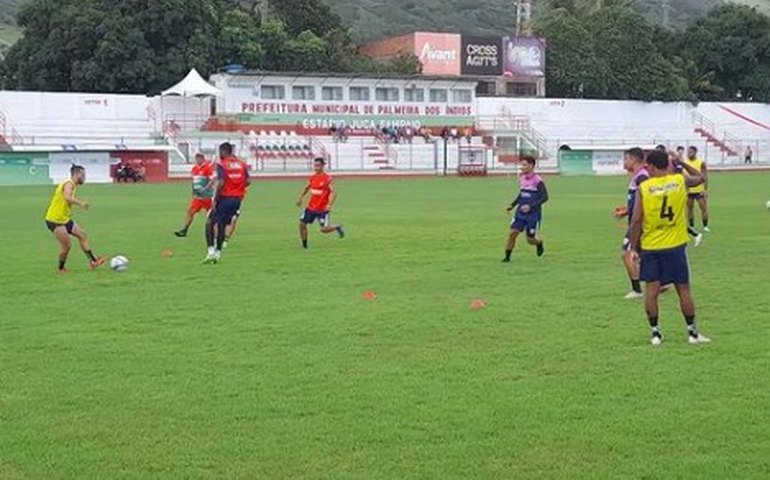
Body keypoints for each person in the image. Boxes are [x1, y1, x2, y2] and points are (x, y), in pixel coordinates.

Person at [628, 150, 710, 346]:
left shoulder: (645, 187)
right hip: (675, 245)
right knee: (683, 289)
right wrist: (682, 162)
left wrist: (633, 248)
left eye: (649, 166)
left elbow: (637, 221)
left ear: (654, 167)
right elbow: (701, 178)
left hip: (652, 246)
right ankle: (692, 333)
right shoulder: (679, 181)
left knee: (651, 291)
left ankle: (656, 334)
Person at [44, 165, 107, 273]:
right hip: (55, 220)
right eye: (83, 175)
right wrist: (81, 203)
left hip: (64, 219)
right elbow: (67, 197)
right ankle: (61, 268)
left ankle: (93, 261)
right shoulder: (69, 184)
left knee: (82, 235)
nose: (84, 177)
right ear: (76, 174)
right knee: (67, 245)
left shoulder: (70, 184)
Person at [202, 143, 250, 264]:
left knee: (209, 222)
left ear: (223, 152)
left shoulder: (222, 164)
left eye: (220, 152)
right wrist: (238, 188)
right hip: (237, 200)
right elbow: (248, 181)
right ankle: (218, 254)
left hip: (224, 198)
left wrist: (214, 199)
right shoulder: (241, 164)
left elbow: (221, 182)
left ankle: (210, 252)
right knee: (222, 225)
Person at [502, 156, 547, 262]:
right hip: (520, 213)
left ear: (531, 166)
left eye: (524, 165)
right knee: (512, 234)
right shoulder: (522, 178)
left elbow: (545, 197)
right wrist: (512, 205)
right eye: (521, 165)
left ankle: (539, 243)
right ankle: (507, 258)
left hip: (533, 215)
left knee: (530, 240)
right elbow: (522, 195)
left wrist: (530, 206)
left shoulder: (538, 180)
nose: (522, 167)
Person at [296, 157, 345, 249]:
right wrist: (300, 198)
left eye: (318, 166)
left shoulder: (327, 179)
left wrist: (329, 204)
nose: (316, 167)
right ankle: (304, 246)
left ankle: (337, 227)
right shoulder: (313, 177)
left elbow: (334, 192)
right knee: (302, 224)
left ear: (322, 166)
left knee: (324, 230)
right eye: (315, 165)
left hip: (322, 209)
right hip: (310, 208)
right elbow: (306, 188)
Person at [620, 148, 649, 299]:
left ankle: (637, 290)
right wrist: (626, 211)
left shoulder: (642, 177)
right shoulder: (637, 176)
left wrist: (636, 222)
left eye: (626, 159)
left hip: (639, 224)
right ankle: (663, 282)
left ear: (634, 160)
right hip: (637, 222)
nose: (624, 162)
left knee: (627, 254)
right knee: (643, 256)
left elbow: (647, 200)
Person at [174, 153, 214, 237]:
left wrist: (205, 188)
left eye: (199, 159)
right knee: (190, 212)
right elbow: (194, 181)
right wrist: (193, 190)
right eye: (196, 159)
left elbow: (211, 180)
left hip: (207, 196)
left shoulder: (207, 168)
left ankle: (213, 232)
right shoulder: (194, 168)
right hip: (198, 196)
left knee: (211, 214)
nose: (197, 160)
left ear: (203, 159)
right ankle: (184, 230)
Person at [684, 146, 710, 233]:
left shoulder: (701, 162)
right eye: (688, 152)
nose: (688, 153)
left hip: (699, 190)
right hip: (689, 190)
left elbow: (705, 176)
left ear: (695, 152)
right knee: (690, 209)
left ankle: (705, 226)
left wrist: (705, 189)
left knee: (703, 208)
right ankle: (692, 226)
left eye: (690, 152)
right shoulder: (685, 162)